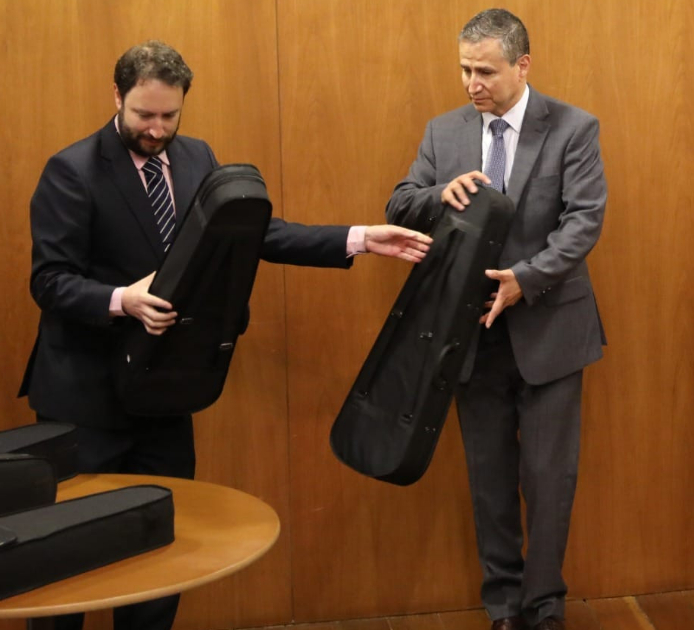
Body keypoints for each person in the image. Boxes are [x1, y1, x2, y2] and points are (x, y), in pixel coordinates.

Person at [18, 40, 431, 630]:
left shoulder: (196, 159)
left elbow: (257, 233)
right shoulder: (72, 170)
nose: (157, 130)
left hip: (163, 393)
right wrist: (121, 301)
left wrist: (361, 238)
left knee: (159, 549)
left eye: (169, 115)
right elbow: (50, 282)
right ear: (117, 97)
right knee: (68, 566)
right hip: (83, 400)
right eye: (144, 115)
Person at [386, 8, 606, 630]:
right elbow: (401, 202)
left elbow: (584, 221)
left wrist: (524, 280)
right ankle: (503, 609)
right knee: (489, 481)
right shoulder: (443, 131)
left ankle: (545, 609)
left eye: (485, 70)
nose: (471, 83)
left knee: (548, 480)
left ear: (522, 65)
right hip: (468, 336)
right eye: (464, 69)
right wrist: (439, 193)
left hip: (549, 330)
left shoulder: (573, 127)